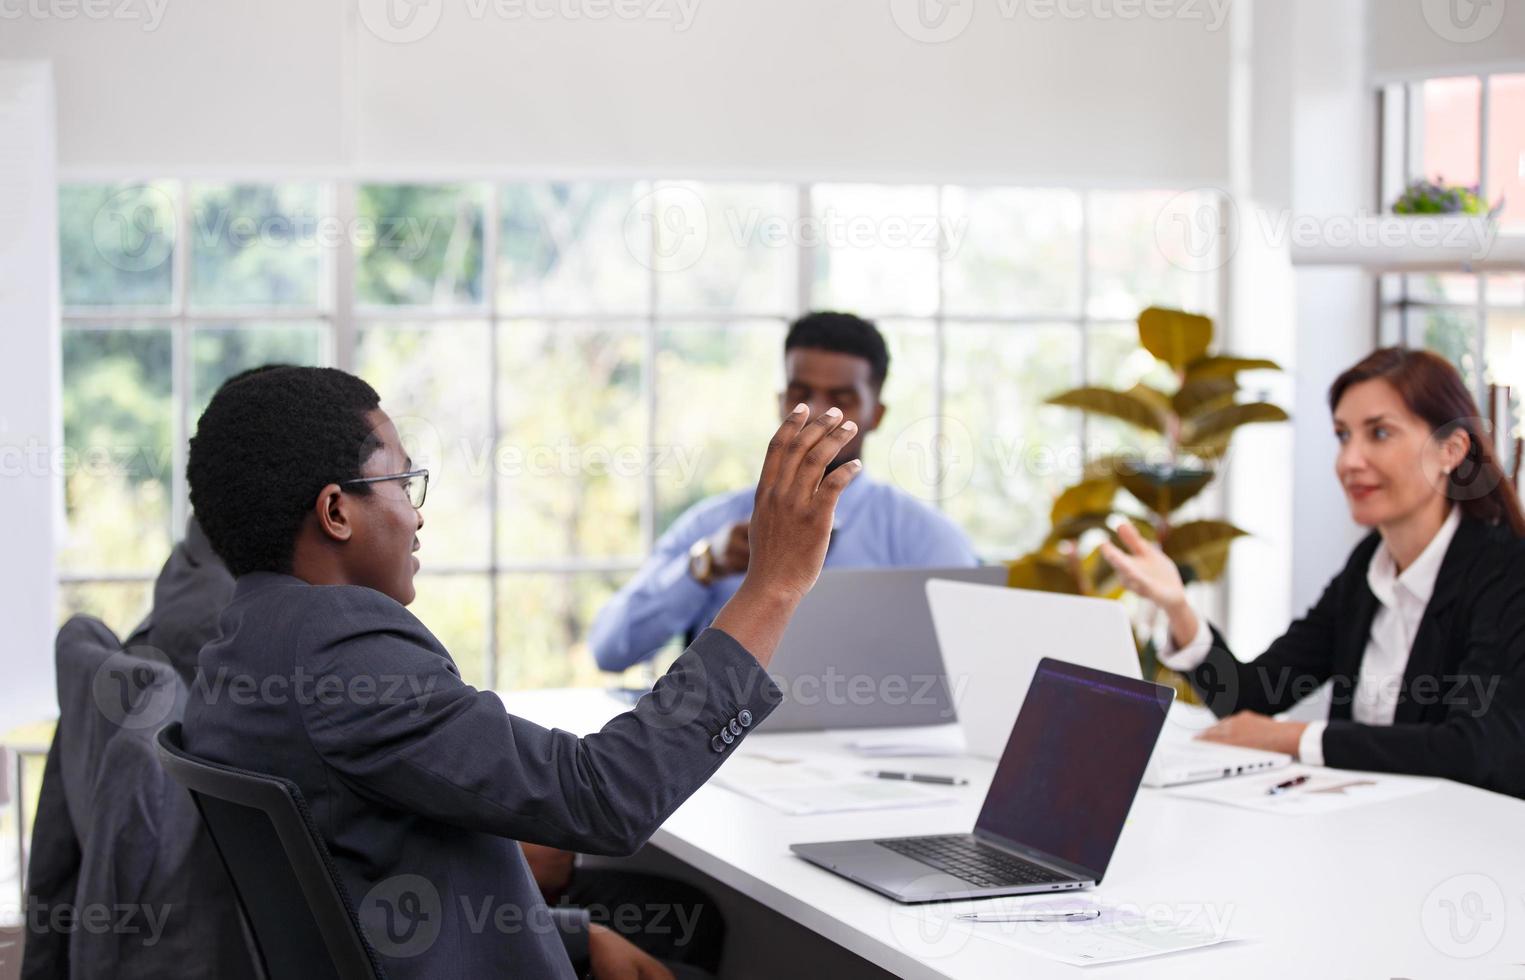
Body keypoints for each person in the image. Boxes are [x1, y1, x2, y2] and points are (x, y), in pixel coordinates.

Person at [180, 365, 861, 979]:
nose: (416, 516)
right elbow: (607, 796)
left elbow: (356, 885)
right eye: (401, 482)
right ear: (335, 511)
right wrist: (771, 586)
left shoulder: (240, 641)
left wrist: (570, 937)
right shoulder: (339, 644)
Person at [1101, 347, 1525, 798]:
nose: (1349, 461)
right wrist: (1177, 605)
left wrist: (1292, 738)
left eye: (1379, 433)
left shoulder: (1506, 571)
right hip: (1372, 829)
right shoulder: (1368, 566)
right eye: (1343, 436)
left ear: (1452, 450)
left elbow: (1474, 749)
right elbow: (1249, 696)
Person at [591, 311, 978, 672]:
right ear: (780, 402)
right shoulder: (715, 525)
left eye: (842, 399)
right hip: (732, 744)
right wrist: (704, 565)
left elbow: (972, 665)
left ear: (876, 414)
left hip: (872, 741)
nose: (819, 414)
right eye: (801, 393)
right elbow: (609, 651)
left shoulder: (927, 539)